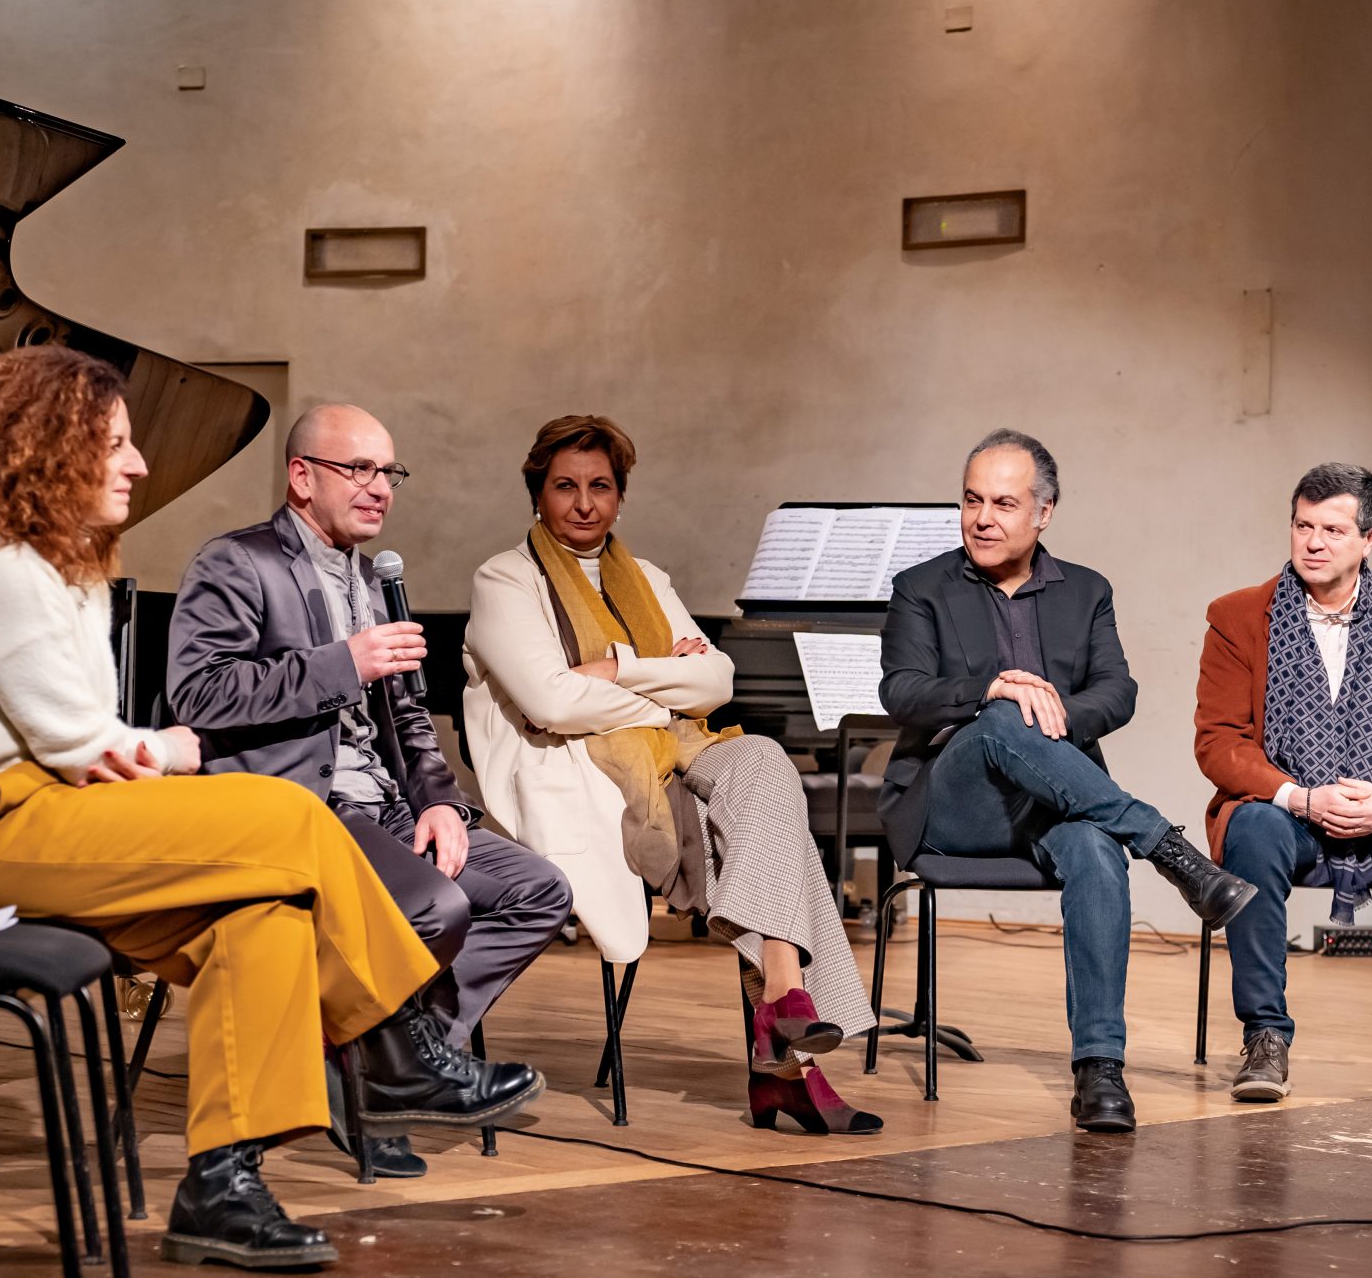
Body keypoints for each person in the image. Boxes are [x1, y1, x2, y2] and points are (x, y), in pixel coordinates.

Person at [0, 345, 539, 1275]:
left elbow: (92, 744)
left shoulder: (57, 573)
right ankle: (397, 1044)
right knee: (288, 816)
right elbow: (88, 746)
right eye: (116, 444)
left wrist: (152, 753)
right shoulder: (0, 570)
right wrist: (172, 749)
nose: (140, 464)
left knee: (262, 914)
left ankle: (222, 1182)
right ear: (47, 450)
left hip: (47, 812)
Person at [168, 404, 572, 1178]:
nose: (380, 487)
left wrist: (442, 804)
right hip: (302, 803)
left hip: (388, 803)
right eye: (359, 468)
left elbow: (409, 719)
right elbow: (200, 695)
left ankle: (380, 1068)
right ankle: (385, 1068)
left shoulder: (373, 576)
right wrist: (342, 663)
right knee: (435, 907)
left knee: (540, 891)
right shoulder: (237, 563)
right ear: (301, 476)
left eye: (389, 471)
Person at [460, 414, 881, 1134]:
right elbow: (551, 702)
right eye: (566, 486)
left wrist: (617, 667)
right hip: (585, 771)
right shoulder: (507, 577)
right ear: (539, 493)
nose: (584, 502)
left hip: (675, 755)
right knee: (770, 830)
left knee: (762, 762)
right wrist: (664, 678)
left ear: (621, 496)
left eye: (600, 486)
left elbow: (717, 682)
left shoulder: (647, 578)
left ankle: (782, 1001)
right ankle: (786, 1054)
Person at [879, 429, 1259, 1135]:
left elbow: (1118, 692)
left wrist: (1052, 711)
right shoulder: (921, 587)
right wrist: (994, 691)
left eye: (1002, 502)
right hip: (952, 801)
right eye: (970, 500)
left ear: (1044, 512)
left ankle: (1099, 1070)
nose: (981, 517)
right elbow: (901, 691)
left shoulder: (1086, 591)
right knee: (999, 713)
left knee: (1092, 846)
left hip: (1055, 799)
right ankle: (1168, 846)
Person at [1194, 463, 1372, 1107]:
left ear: (1370, 538)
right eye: (1303, 525)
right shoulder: (1238, 616)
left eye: (1333, 528)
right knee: (1255, 835)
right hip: (1287, 805)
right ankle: (1265, 1037)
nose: (1314, 542)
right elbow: (1218, 740)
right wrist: (1298, 795)